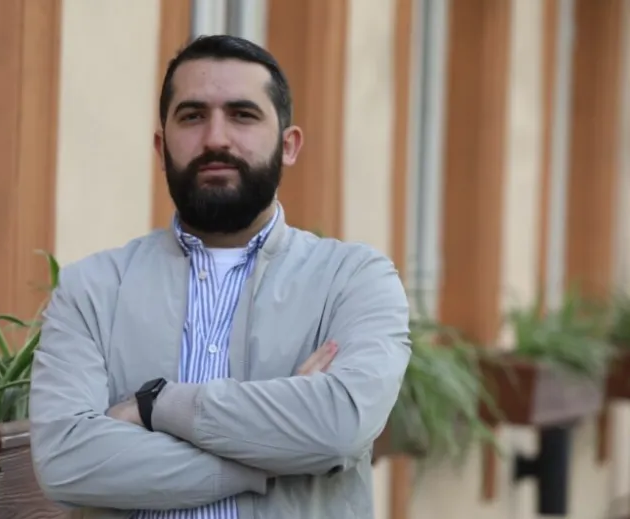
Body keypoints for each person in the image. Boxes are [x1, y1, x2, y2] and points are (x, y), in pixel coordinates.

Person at [29, 34, 411, 519]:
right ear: (161, 146)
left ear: (289, 145)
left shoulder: (353, 281)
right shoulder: (93, 289)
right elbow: (67, 463)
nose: (215, 138)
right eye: (192, 116)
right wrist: (275, 454)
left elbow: (339, 426)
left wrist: (156, 407)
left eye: (242, 115)